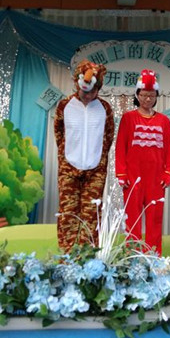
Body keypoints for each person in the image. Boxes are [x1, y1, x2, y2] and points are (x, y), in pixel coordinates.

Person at [54, 59, 114, 252]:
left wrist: (99, 159)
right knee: (68, 213)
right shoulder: (65, 105)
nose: (88, 96)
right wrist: (66, 157)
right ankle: (67, 257)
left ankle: (88, 258)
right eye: (84, 92)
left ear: (98, 89)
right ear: (78, 85)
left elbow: (108, 137)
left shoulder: (105, 108)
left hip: (95, 170)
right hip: (68, 169)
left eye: (92, 92)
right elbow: (59, 133)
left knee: (91, 215)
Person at [115, 69, 170, 254]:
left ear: (156, 96)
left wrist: (169, 172)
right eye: (144, 95)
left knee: (154, 220)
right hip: (133, 178)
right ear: (137, 95)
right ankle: (132, 258)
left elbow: (169, 149)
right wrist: (121, 173)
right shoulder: (128, 118)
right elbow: (120, 147)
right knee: (132, 220)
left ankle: (153, 258)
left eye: (151, 95)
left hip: (156, 179)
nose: (147, 99)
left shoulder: (164, 121)